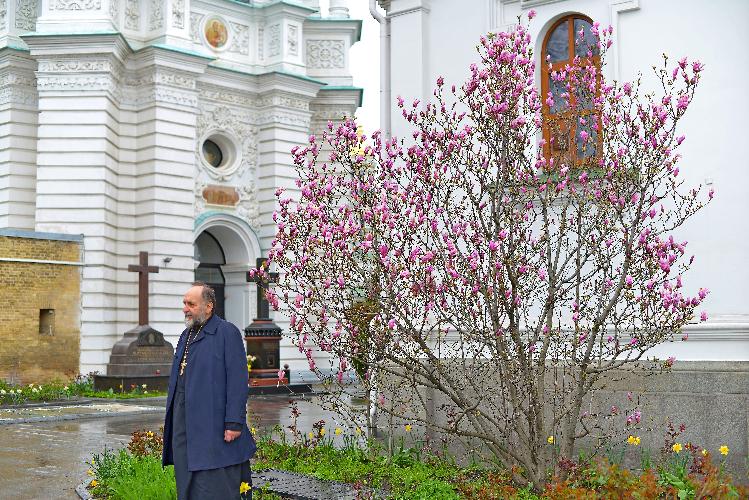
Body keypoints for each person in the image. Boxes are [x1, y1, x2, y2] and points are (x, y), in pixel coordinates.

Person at [163, 282, 256, 499]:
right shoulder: (186, 335)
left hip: (213, 423)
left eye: (191, 304)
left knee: (213, 477)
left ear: (209, 306)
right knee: (187, 472)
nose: (185, 308)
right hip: (185, 421)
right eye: (184, 303)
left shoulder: (226, 332)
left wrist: (234, 422)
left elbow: (237, 380)